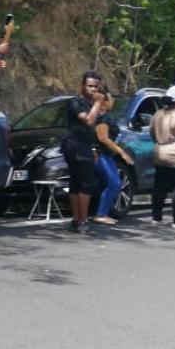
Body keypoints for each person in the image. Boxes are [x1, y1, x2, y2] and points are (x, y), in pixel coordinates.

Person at [60, 71, 109, 233]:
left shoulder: (90, 103)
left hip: (86, 146)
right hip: (75, 146)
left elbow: (94, 128)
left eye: (96, 87)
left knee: (76, 183)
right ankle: (82, 220)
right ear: (82, 86)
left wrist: (94, 148)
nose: (93, 90)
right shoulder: (76, 102)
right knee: (86, 182)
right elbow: (88, 121)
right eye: (89, 86)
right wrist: (97, 104)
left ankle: (76, 220)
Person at [89, 86, 133, 225]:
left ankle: (102, 212)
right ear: (104, 101)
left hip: (106, 155)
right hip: (100, 154)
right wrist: (122, 153)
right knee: (114, 183)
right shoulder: (101, 117)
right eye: (111, 98)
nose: (113, 101)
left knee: (110, 183)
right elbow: (103, 138)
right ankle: (101, 214)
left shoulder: (100, 116)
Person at [150, 84, 175, 228]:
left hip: (160, 152)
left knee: (159, 186)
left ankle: (156, 217)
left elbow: (153, 134)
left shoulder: (158, 114)